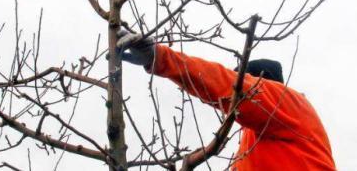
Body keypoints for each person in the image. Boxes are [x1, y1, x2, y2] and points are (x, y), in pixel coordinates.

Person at [117, 31, 336, 171]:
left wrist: (161, 58)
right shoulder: (254, 141)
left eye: (243, 80)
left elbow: (225, 85)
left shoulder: (288, 102)